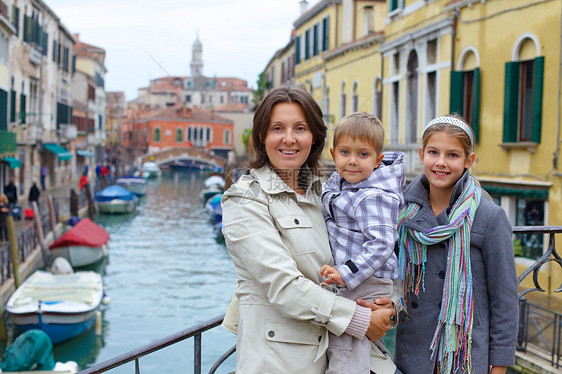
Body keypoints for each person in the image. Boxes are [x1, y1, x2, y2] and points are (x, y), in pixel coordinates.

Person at [221, 87, 396, 373]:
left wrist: (386, 306)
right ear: (262, 136)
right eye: (278, 128)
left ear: (313, 137)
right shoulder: (245, 199)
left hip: (343, 356)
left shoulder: (325, 192)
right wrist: (362, 320)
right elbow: (285, 287)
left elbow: (368, 255)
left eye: (299, 128)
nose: (289, 139)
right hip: (281, 363)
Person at [360, 115, 518, 374]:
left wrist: (499, 367)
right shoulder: (401, 212)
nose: (441, 162)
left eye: (453, 155)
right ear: (422, 155)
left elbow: (505, 299)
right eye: (434, 152)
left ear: (469, 161)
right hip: (412, 353)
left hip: (465, 355)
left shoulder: (489, 216)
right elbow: (391, 274)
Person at [319, 112, 405, 374]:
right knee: (358, 346)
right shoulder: (342, 184)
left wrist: (345, 273)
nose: (353, 161)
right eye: (345, 152)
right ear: (333, 154)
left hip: (363, 281)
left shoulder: (373, 196)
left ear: (378, 160)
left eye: (363, 155)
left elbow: (381, 245)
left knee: (346, 347)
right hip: (359, 280)